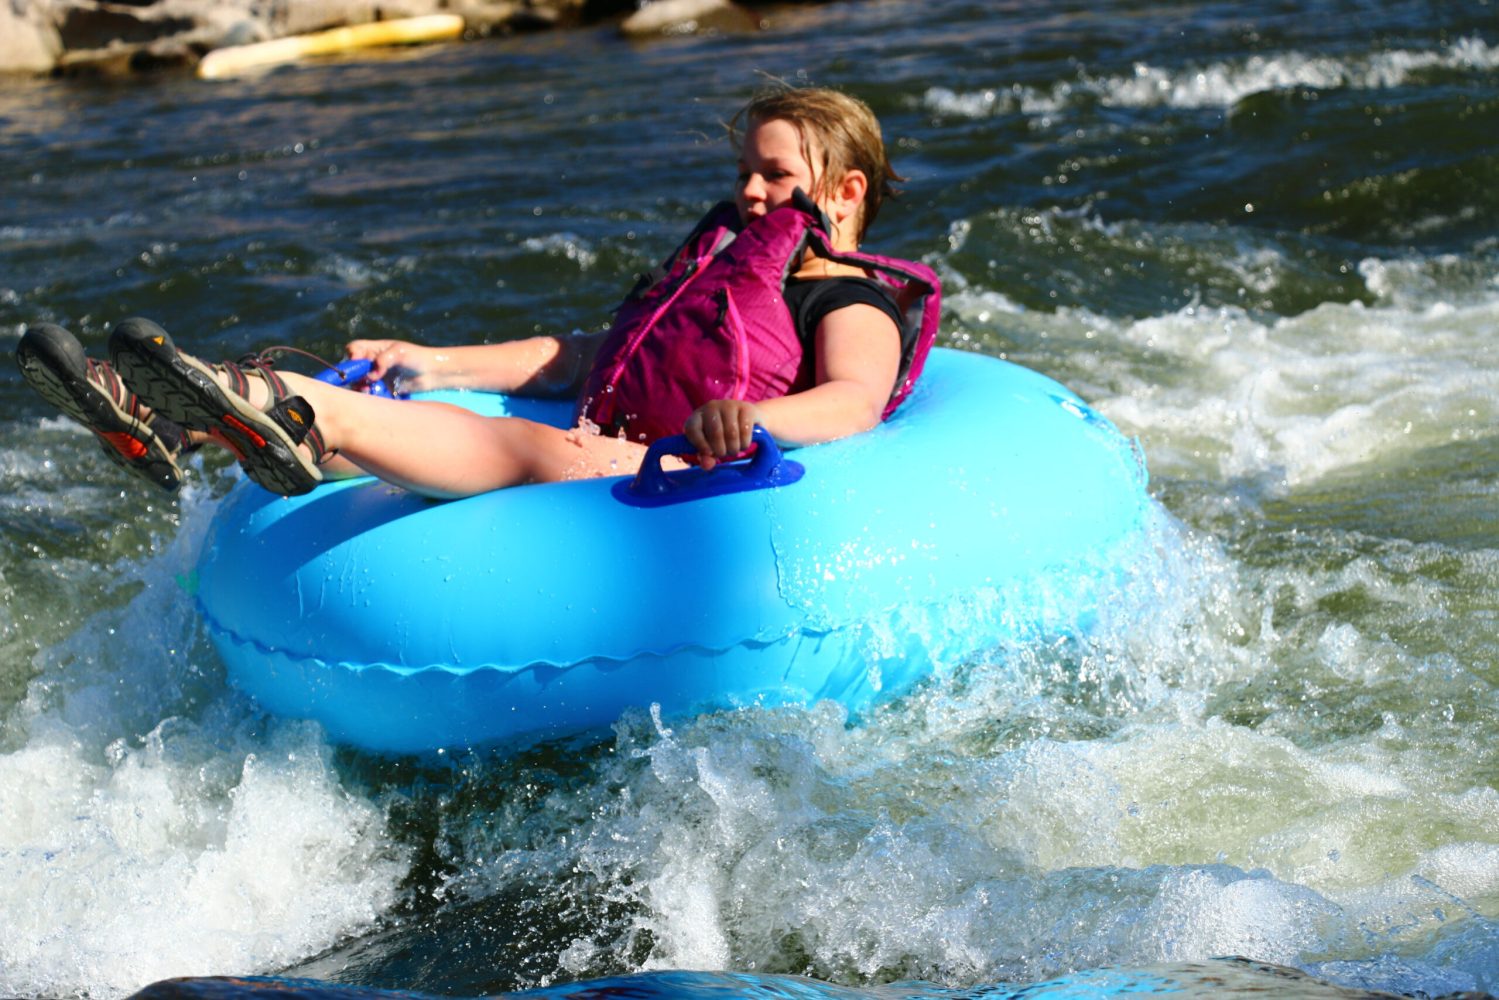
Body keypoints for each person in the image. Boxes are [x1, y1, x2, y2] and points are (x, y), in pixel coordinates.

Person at [15, 86, 940, 500]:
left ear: (845, 190)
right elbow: (579, 356)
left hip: (699, 476)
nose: (748, 193)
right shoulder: (710, 277)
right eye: (744, 169)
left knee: (515, 447)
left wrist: (741, 417)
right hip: (617, 443)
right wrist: (434, 359)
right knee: (407, 415)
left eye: (774, 176)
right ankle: (183, 419)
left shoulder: (845, 300)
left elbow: (854, 402)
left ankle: (281, 408)